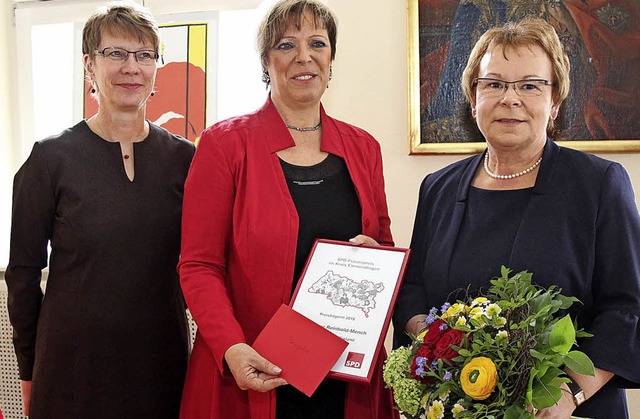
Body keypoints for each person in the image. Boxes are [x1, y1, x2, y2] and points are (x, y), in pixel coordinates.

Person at [393, 17, 640, 419]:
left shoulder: (598, 185)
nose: (510, 99)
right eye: (493, 84)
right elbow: (415, 287)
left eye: (529, 85)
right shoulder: (437, 188)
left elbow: (627, 306)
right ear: (473, 100)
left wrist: (566, 394)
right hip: (460, 408)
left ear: (555, 100)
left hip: (567, 409)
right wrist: (437, 342)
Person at [177, 1, 397, 418]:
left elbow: (383, 244)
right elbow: (199, 265)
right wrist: (231, 347)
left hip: (344, 377)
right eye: (285, 44)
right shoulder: (224, 145)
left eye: (317, 43)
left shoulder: (364, 148)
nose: (304, 56)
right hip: (252, 373)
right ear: (266, 60)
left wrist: (375, 255)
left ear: (331, 59)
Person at [5, 2, 195, 418]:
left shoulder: (187, 160)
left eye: (145, 55)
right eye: (116, 53)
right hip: (72, 367)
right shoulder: (50, 159)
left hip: (160, 362)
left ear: (156, 68)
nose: (132, 67)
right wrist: (29, 369)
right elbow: (22, 273)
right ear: (89, 65)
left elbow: (212, 257)